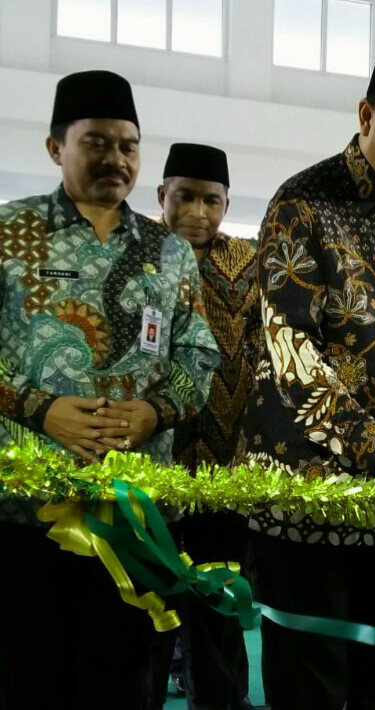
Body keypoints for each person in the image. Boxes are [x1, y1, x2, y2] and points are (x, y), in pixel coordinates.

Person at [235, 45, 375, 710]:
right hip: (308, 501)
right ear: (368, 116)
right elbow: (290, 351)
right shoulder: (301, 205)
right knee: (310, 686)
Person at [0, 69, 219, 710]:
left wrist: (155, 412)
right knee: (26, 678)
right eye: (96, 141)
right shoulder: (10, 233)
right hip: (25, 512)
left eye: (128, 145)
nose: (115, 158)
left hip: (137, 514)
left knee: (127, 681)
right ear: (54, 148)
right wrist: (42, 411)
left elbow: (199, 353)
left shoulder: (169, 251)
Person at [156, 142, 261, 710]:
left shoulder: (248, 265)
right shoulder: (141, 255)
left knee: (220, 594)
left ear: (226, 204)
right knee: (153, 595)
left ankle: (222, 699)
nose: (198, 211)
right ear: (162, 196)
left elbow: (264, 349)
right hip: (150, 462)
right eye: (185, 197)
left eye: (211, 200)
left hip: (226, 464)